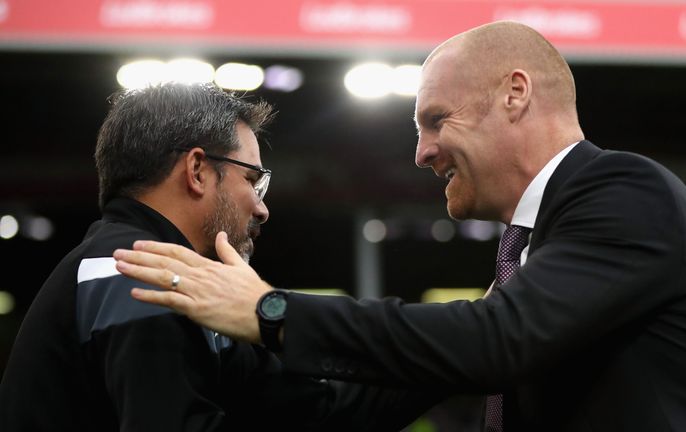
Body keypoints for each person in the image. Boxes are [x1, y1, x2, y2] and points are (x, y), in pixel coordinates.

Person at [113, 22, 686, 431]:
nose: (422, 153)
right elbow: (447, 360)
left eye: (435, 120)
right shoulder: (543, 247)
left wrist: (272, 311)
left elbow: (494, 342)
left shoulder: (627, 191)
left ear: (515, 93)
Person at [0, 82, 435, 431]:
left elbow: (318, 414)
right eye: (253, 180)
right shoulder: (133, 270)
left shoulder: (184, 282)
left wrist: (464, 352)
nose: (262, 207)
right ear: (197, 171)